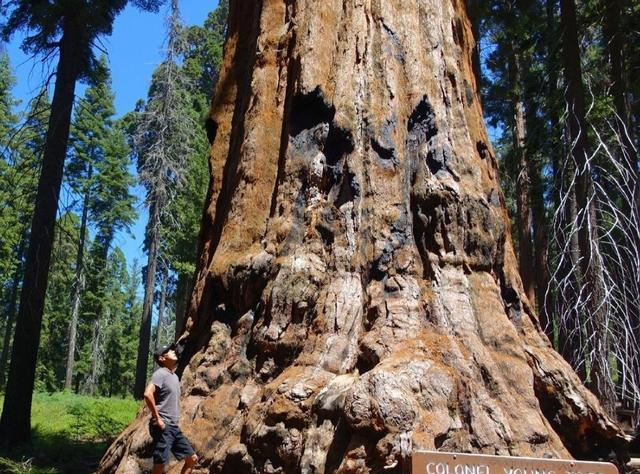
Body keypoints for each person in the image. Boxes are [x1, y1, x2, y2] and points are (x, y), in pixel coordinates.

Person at [144, 343, 198, 474]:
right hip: (163, 425)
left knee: (192, 458)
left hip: (173, 426)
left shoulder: (174, 376)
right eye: (168, 351)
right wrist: (158, 418)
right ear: (162, 358)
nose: (173, 351)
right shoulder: (160, 373)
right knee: (160, 463)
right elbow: (147, 393)